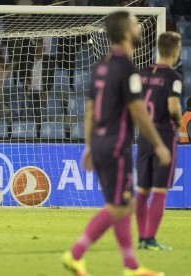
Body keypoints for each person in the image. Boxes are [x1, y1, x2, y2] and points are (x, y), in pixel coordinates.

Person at [62, 11, 170, 276]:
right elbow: (138, 111)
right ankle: (75, 254)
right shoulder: (127, 69)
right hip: (116, 145)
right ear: (125, 32)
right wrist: (158, 144)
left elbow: (89, 111)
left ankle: (131, 266)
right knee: (118, 206)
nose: (139, 27)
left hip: (100, 143)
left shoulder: (101, 66)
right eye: (135, 23)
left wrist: (89, 145)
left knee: (125, 205)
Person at [136, 32, 183, 251]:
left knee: (142, 190)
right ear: (175, 50)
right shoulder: (173, 77)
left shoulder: (143, 73)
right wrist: (177, 122)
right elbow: (173, 107)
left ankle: (141, 238)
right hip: (163, 135)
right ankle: (150, 239)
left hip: (144, 135)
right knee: (159, 190)